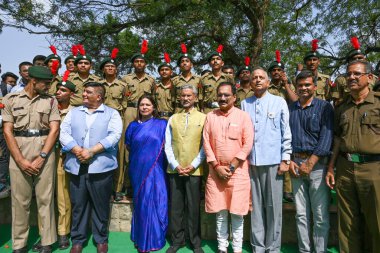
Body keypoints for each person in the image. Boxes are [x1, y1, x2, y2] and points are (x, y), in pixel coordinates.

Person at [2, 66, 60, 253]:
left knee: (46, 199)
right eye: (46, 83)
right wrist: (20, 160)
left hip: (45, 149)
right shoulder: (11, 99)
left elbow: (54, 130)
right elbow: (7, 131)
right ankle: (19, 244)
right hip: (19, 148)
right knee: (20, 201)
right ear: (33, 81)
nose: (48, 87)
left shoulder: (51, 101)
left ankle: (47, 242)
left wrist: (42, 156)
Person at [60, 82, 122, 253]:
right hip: (76, 165)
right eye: (84, 92)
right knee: (78, 204)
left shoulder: (112, 114)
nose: (84, 95)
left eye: (88, 92)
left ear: (99, 96)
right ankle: (78, 240)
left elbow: (115, 135)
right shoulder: (74, 112)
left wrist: (92, 151)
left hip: (101, 168)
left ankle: (100, 239)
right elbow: (63, 133)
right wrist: (77, 149)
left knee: (100, 205)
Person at [326, 60, 380, 252]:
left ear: (370, 78)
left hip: (373, 169)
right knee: (347, 223)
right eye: (348, 74)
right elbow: (338, 139)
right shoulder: (341, 107)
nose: (351, 78)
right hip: (346, 168)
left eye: (357, 74)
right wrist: (331, 167)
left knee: (377, 222)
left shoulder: (378, 103)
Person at [241, 67, 292, 253]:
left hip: (273, 162)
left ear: (268, 82)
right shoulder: (244, 103)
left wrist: (285, 158)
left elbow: (285, 131)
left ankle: (273, 246)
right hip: (252, 162)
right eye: (254, 78)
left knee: (273, 207)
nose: (258, 80)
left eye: (262, 77)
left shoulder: (279, 102)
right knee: (255, 207)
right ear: (251, 82)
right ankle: (258, 246)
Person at [203, 82, 254, 253]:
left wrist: (231, 167)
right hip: (216, 171)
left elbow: (248, 144)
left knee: (237, 213)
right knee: (221, 212)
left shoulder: (243, 117)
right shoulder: (210, 117)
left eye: (226, 95)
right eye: (220, 95)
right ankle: (222, 247)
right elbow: (206, 143)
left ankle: (237, 249)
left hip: (238, 172)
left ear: (234, 97)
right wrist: (216, 167)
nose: (223, 98)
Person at [289, 70, 334, 253]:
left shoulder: (324, 107)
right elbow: (285, 136)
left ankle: (320, 250)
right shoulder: (290, 108)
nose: (304, 88)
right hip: (295, 165)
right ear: (296, 88)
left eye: (307, 84)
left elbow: (327, 137)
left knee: (320, 214)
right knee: (301, 214)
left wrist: (311, 162)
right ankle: (304, 250)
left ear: (315, 87)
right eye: (300, 85)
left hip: (317, 166)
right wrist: (290, 159)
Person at [165, 84, 206, 253]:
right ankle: (177, 240)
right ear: (179, 98)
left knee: (193, 207)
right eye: (183, 96)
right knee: (176, 207)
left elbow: (205, 145)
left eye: (189, 95)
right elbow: (167, 145)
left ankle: (195, 241)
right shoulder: (173, 118)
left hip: (194, 170)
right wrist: (175, 165)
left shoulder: (204, 118)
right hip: (175, 170)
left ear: (195, 97)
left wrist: (194, 164)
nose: (186, 98)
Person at [125, 94, 168, 252]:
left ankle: (155, 237)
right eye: (142, 105)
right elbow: (129, 146)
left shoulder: (162, 124)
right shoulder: (132, 126)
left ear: (154, 107)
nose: (144, 107)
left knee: (156, 201)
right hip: (138, 169)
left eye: (148, 105)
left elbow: (166, 146)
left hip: (156, 169)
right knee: (142, 203)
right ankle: (141, 236)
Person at [118, 40, 155, 199]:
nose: (139, 63)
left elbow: (154, 98)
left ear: (145, 64)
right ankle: (124, 185)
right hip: (131, 110)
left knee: (145, 146)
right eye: (136, 61)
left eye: (142, 61)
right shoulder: (125, 79)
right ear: (133, 63)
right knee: (126, 149)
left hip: (146, 111)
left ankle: (142, 183)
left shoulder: (151, 80)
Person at [267, 50, 297, 203]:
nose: (276, 72)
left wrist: (286, 84)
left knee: (287, 156)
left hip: (288, 124)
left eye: (279, 70)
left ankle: (288, 190)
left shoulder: (290, 85)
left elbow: (295, 101)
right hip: (271, 126)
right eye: (274, 70)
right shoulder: (267, 87)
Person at [99, 48, 127, 202]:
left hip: (117, 120)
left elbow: (124, 102)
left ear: (116, 70)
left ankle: (117, 188)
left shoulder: (122, 85)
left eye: (112, 67)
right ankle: (104, 187)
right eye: (107, 66)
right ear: (103, 69)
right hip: (101, 120)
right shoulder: (98, 84)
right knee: (101, 151)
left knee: (119, 154)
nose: (110, 68)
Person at [55, 73, 75, 250]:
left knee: (63, 197)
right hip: (43, 158)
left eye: (63, 90)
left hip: (63, 157)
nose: (58, 93)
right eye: (58, 90)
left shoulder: (75, 113)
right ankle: (46, 233)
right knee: (45, 198)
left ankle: (63, 232)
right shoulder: (49, 108)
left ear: (71, 94)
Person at [200, 45, 234, 113]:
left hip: (224, 110)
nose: (215, 61)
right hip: (207, 111)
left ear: (222, 63)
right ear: (209, 64)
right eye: (213, 59)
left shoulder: (229, 78)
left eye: (218, 59)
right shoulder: (203, 78)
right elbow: (200, 97)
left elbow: (233, 96)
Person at [172, 43, 201, 113]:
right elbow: (172, 98)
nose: (184, 63)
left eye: (187, 61)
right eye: (182, 61)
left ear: (191, 65)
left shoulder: (199, 79)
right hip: (179, 111)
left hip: (195, 111)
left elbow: (201, 98)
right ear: (179, 66)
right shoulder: (174, 80)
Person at [154, 54, 175, 119]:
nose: (164, 71)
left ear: (171, 72)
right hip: (158, 118)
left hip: (172, 118)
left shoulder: (175, 87)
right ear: (159, 73)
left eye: (167, 69)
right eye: (162, 70)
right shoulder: (155, 87)